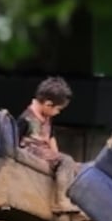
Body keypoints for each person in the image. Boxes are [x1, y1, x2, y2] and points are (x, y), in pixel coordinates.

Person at [16, 76, 81, 213]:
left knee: (73, 165)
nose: (58, 113)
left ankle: (73, 201)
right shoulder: (26, 120)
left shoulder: (47, 116)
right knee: (66, 161)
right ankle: (60, 201)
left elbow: (51, 137)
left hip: (45, 153)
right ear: (48, 104)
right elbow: (14, 141)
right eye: (58, 109)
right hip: (31, 151)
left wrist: (57, 157)